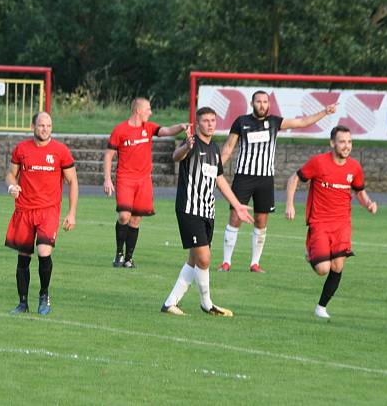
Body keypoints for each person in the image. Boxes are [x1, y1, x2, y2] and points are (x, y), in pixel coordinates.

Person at [219, 90, 337, 273]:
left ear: (269, 104)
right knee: (235, 217)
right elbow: (227, 148)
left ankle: (254, 264)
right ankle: (226, 262)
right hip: (243, 177)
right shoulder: (241, 122)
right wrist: (214, 169)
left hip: (265, 179)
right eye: (258, 101)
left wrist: (324, 112)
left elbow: (302, 122)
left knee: (261, 220)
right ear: (252, 104)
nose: (262, 105)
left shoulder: (274, 122)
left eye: (265, 101)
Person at [162, 107, 254, 317]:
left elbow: (219, 179)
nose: (210, 124)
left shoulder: (214, 148)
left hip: (207, 211)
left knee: (194, 259)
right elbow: (176, 156)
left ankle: (170, 303)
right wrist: (185, 146)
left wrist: (237, 205)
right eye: (206, 121)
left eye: (213, 120)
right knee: (204, 258)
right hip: (189, 208)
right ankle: (207, 303)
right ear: (198, 123)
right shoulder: (191, 144)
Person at [285, 125, 377, 319]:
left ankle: (321, 307)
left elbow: (359, 191)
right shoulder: (318, 163)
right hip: (320, 222)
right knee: (322, 269)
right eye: (342, 142)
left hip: (342, 223)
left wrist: (368, 203)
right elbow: (294, 178)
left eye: (349, 142)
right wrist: (290, 204)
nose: (347, 146)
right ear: (332, 143)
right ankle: (310, 250)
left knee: (338, 266)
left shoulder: (354, 167)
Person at [5, 112, 79, 315]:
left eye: (48, 125)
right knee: (23, 257)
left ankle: (44, 295)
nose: (45, 129)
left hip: (48, 210)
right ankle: (22, 303)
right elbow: (11, 174)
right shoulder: (21, 149)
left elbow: (72, 181)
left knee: (44, 252)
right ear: (33, 127)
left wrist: (71, 213)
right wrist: (12, 186)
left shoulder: (60, 151)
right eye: (41, 125)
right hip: (24, 210)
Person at [103, 98, 188, 268]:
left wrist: (181, 126)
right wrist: (107, 178)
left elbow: (165, 131)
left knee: (135, 220)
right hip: (125, 178)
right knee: (124, 216)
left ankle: (128, 258)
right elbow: (108, 155)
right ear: (138, 110)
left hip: (144, 181)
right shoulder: (120, 130)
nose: (151, 112)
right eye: (148, 109)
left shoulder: (148, 128)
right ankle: (119, 254)